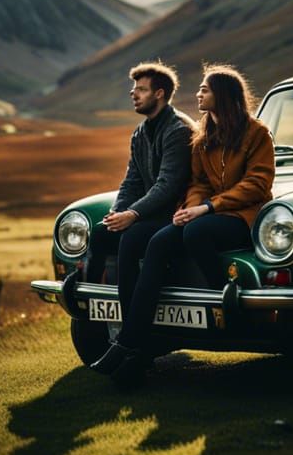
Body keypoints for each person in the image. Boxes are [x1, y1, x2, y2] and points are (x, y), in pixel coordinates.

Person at [91, 64, 274, 383]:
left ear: (224, 95)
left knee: (195, 231)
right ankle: (132, 345)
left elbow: (258, 184)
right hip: (205, 213)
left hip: (243, 216)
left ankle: (227, 303)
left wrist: (206, 209)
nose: (198, 93)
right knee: (154, 241)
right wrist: (191, 208)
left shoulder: (256, 133)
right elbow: (197, 182)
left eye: (205, 89)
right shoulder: (204, 135)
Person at [61, 61, 194, 321]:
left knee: (131, 237)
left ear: (160, 94)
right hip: (149, 212)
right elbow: (131, 180)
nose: (134, 94)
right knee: (101, 232)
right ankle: (93, 311)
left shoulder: (178, 130)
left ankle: (131, 324)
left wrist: (132, 214)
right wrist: (116, 213)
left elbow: (167, 185)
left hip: (174, 214)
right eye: (134, 89)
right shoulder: (141, 132)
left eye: (142, 89)